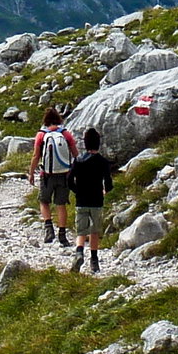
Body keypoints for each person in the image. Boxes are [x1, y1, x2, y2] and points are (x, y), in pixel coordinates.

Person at [29, 106, 79, 245]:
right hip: (64, 174)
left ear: (45, 120)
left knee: (44, 201)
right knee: (61, 204)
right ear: (58, 119)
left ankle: (49, 228)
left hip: (47, 175)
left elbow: (36, 156)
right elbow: (75, 153)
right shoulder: (65, 134)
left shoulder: (41, 135)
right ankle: (62, 235)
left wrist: (31, 173)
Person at [68, 127, 113, 273]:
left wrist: (76, 191)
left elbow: (69, 180)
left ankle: (79, 252)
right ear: (98, 143)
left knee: (81, 231)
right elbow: (109, 183)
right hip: (97, 201)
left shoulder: (79, 160)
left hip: (81, 200)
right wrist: (105, 191)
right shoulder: (103, 162)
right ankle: (94, 261)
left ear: (85, 144)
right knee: (94, 231)